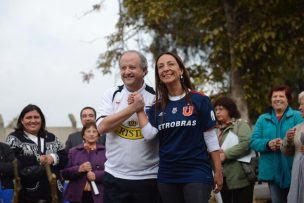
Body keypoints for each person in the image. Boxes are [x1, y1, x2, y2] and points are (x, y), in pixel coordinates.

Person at [130, 52, 223, 203]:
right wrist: (139, 109)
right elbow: (148, 135)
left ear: (180, 70)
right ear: (158, 75)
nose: (165, 69)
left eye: (170, 64)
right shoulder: (156, 106)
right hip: (167, 174)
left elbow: (211, 139)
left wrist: (218, 171)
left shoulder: (200, 100)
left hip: (196, 172)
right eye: (161, 67)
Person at [96, 50, 160, 203]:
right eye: (123, 68)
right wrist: (133, 108)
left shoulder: (157, 96)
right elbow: (102, 127)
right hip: (115, 176)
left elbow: (152, 135)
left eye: (132, 67)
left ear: (144, 71)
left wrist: (139, 109)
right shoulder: (111, 94)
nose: (127, 72)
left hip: (148, 177)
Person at [250, 85, 304, 203]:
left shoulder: (297, 116)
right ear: (270, 100)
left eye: (281, 96)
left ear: (288, 100)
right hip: (272, 172)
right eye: (274, 96)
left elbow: (302, 136)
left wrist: (286, 141)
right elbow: (253, 142)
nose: (277, 99)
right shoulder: (262, 119)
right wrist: (268, 144)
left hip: (294, 169)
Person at [5, 104, 68, 203]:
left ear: (41, 120)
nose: (33, 120)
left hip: (54, 195)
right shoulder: (14, 138)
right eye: (29, 117)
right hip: (27, 195)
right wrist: (39, 159)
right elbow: (12, 161)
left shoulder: (51, 137)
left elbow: (65, 158)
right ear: (22, 120)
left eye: (36, 117)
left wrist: (53, 158)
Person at [213, 96, 254, 203]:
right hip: (223, 180)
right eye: (216, 109)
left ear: (230, 109)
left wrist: (225, 155)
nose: (217, 112)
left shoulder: (240, 125)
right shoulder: (215, 130)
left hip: (240, 178)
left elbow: (247, 143)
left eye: (221, 109)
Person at [62, 122, 106, 203]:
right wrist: (79, 169)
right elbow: (64, 173)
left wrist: (97, 175)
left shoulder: (105, 152)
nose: (91, 134)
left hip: (99, 196)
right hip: (77, 196)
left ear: (98, 135)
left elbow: (112, 173)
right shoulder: (73, 151)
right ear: (83, 135)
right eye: (88, 131)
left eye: (94, 131)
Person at [281, 91, 304, 203]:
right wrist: (288, 140)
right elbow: (286, 152)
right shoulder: (297, 128)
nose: (299, 108)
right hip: (297, 177)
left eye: (302, 104)